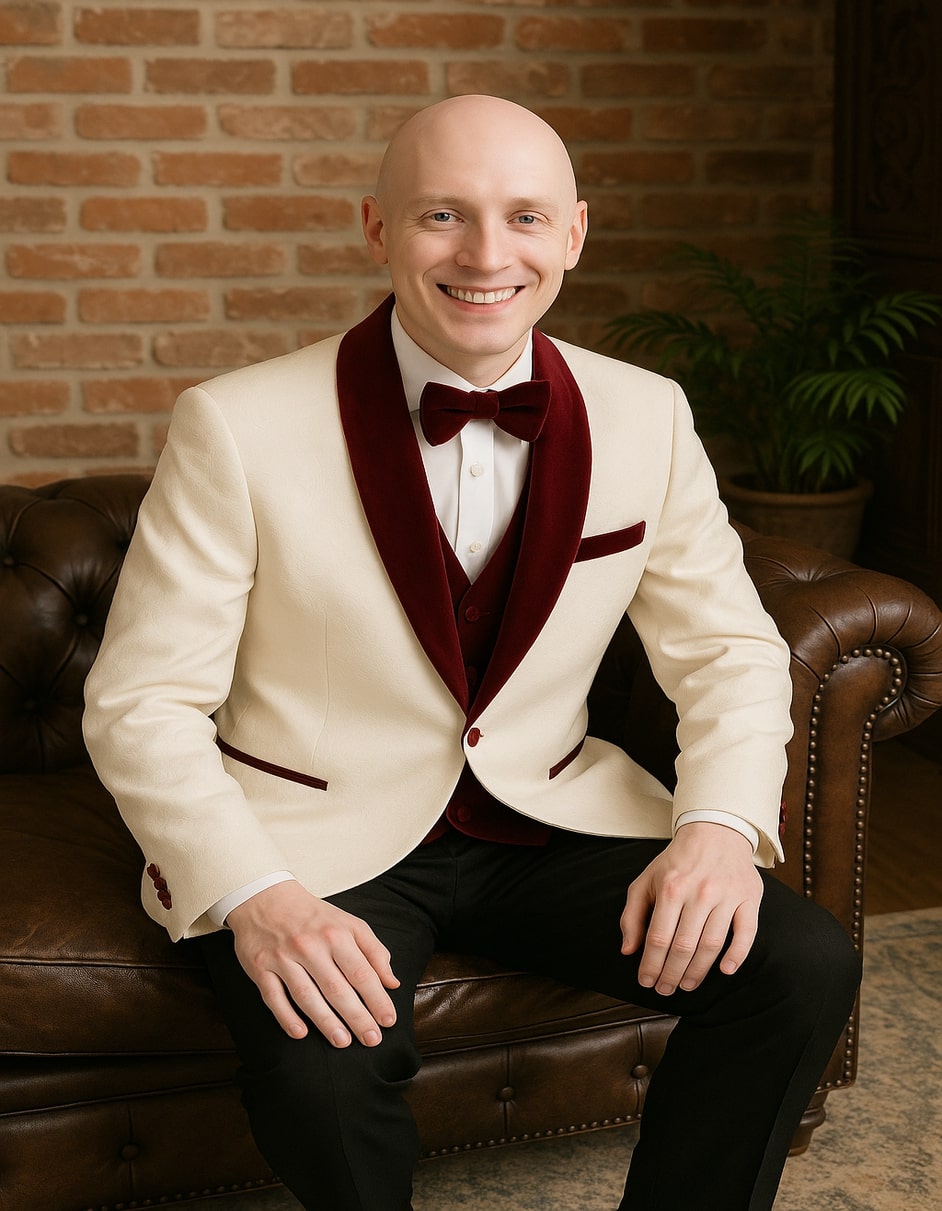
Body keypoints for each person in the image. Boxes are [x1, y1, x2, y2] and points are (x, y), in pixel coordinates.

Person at [83, 95, 861, 1211]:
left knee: (803, 962)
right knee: (320, 1064)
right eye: (443, 214)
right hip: (315, 834)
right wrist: (257, 891)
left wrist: (720, 829)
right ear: (377, 230)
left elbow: (730, 649)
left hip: (547, 815)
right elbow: (143, 701)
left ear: (575, 234)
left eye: (526, 218)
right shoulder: (235, 424)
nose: (488, 254)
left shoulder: (649, 415)